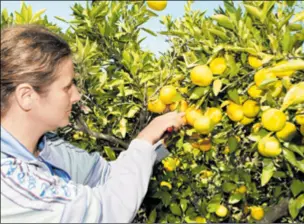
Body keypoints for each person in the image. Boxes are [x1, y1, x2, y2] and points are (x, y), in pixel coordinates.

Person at [0, 25, 185, 223]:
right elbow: (108, 211)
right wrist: (145, 138)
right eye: (67, 87)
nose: (77, 96)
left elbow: (106, 175)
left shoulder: (49, 147)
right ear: (27, 96)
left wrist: (157, 145)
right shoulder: (10, 183)